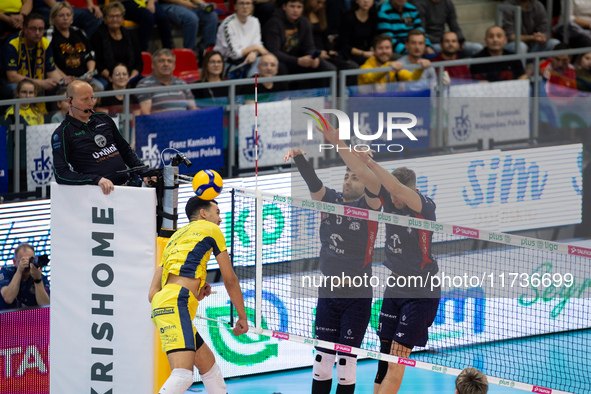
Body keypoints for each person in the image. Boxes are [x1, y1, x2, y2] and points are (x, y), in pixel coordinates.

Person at [317, 121, 440, 394]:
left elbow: (394, 187)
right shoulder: (388, 198)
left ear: (412, 191)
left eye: (398, 197)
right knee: (384, 360)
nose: (393, 201)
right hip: (395, 285)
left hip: (421, 288)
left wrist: (373, 164)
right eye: (392, 198)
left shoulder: (424, 207)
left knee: (397, 360)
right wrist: (339, 143)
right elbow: (361, 172)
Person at [283, 146, 380, 394]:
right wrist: (299, 157)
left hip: (356, 297)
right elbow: (313, 181)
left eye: (355, 177)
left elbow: (375, 188)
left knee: (346, 366)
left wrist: (364, 165)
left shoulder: (369, 207)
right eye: (347, 175)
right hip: (328, 293)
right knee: (322, 364)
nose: (348, 180)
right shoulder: (330, 200)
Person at [148, 197, 248, 394]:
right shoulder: (211, 230)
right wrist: (242, 317)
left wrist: (195, 291)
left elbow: (152, 294)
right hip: (177, 303)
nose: (220, 219)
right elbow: (230, 280)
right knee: (183, 375)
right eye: (217, 212)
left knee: (210, 369)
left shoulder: (174, 239)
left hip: (165, 303)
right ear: (203, 214)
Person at [51, 80, 150, 195]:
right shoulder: (62, 133)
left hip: (127, 187)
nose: (91, 103)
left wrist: (144, 172)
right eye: (84, 99)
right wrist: (95, 180)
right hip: (97, 194)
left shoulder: (104, 118)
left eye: (92, 98)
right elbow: (61, 174)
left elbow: (125, 150)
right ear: (70, 101)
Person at [262, 0, 337, 75]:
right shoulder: (274, 23)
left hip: (299, 59)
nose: (295, 10)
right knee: (282, 68)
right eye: (292, 6)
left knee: (327, 67)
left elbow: (309, 46)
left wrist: (312, 58)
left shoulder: (304, 21)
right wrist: (297, 60)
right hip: (281, 60)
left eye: (299, 7)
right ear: (284, 7)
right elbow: (274, 52)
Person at [4, 13, 61, 101]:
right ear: (25, 29)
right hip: (12, 81)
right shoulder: (12, 44)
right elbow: (12, 77)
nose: (37, 33)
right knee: (18, 89)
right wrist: (40, 83)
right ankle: (15, 114)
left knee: (56, 87)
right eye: (33, 29)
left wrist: (63, 81)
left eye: (40, 29)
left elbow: (51, 71)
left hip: (36, 79)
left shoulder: (45, 43)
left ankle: (49, 115)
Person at [49, 1, 103, 91]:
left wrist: (90, 72)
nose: (65, 18)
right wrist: (66, 78)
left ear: (72, 17)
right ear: (53, 18)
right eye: (61, 15)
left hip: (83, 78)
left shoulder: (78, 32)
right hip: (63, 80)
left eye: (68, 15)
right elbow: (50, 62)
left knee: (99, 87)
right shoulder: (49, 35)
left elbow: (90, 54)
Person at [90, 1, 143, 86]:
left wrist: (129, 78)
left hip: (129, 77)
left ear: (122, 18)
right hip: (108, 78)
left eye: (118, 16)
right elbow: (98, 63)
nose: (115, 19)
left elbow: (139, 62)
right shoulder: (97, 36)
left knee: (143, 85)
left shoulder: (130, 35)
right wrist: (112, 78)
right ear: (105, 19)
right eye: (111, 16)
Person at [214, 0, 268, 79]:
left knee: (267, 64)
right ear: (235, 6)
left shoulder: (255, 21)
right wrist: (256, 48)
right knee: (255, 73)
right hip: (229, 63)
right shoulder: (228, 24)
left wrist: (254, 53)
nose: (245, 6)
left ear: (252, 7)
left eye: (248, 3)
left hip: (249, 59)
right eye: (241, 3)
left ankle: (256, 89)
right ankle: (252, 88)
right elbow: (234, 54)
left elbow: (258, 44)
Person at [411, 0, 483, 57]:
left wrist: (460, 40)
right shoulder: (420, 3)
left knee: (477, 48)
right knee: (444, 49)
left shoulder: (447, 3)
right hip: (431, 42)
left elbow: (454, 25)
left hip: (445, 40)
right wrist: (426, 45)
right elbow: (420, 30)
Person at [136, 49, 198, 114]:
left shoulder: (182, 83)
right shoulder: (144, 84)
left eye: (169, 61)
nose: (166, 64)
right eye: (161, 61)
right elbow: (145, 113)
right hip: (159, 123)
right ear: (153, 65)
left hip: (183, 122)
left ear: (174, 66)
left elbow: (193, 109)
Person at [304, 0, 357, 70]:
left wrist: (330, 50)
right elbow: (305, 44)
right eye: (318, 2)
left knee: (352, 66)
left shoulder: (321, 15)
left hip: (324, 53)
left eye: (323, 3)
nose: (320, 6)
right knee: (331, 68)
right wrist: (318, 53)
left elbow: (325, 39)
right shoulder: (303, 19)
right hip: (312, 54)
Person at [358, 34, 425, 88]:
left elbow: (412, 79)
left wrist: (420, 68)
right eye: (380, 48)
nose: (384, 51)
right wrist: (387, 66)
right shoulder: (365, 67)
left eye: (387, 48)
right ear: (373, 51)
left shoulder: (392, 65)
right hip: (368, 103)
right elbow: (371, 78)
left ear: (392, 50)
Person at [0, 243, 50, 310]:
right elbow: (8, 298)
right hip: (7, 318)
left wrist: (37, 280)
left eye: (30, 260)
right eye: (23, 260)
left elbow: (45, 306)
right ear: (14, 262)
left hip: (32, 318)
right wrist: (19, 271)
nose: (27, 264)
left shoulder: (40, 277)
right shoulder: (6, 273)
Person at [31, 0, 103, 38]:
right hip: (44, 8)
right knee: (64, 15)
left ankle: (82, 47)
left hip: (63, 5)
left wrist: (90, 5)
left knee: (94, 17)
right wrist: (60, 9)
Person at [338, 0, 378, 67]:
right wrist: (363, 53)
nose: (366, 1)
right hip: (349, 53)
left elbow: (373, 38)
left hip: (366, 51)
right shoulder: (348, 17)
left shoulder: (373, 16)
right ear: (356, 1)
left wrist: (372, 49)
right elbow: (343, 44)